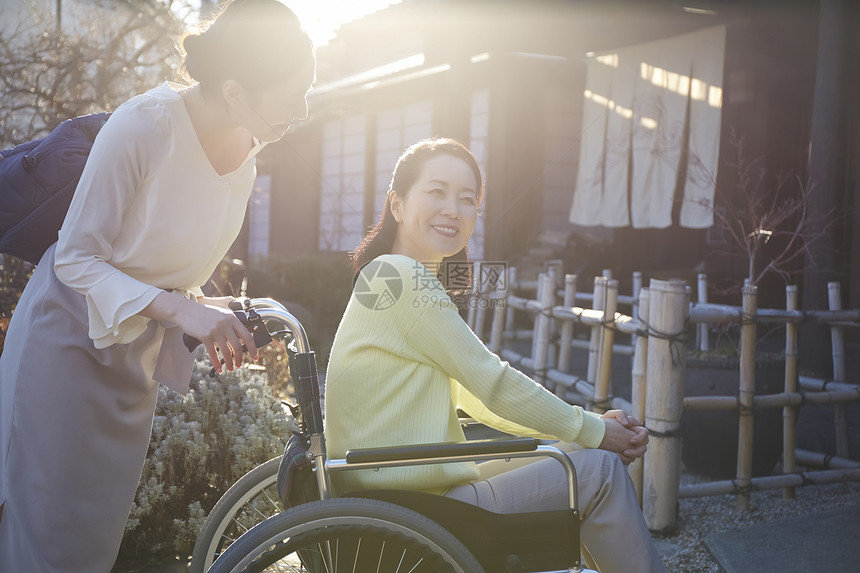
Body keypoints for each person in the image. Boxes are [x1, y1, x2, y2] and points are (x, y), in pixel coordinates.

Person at [0, 1, 315, 570]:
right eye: (292, 97)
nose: (304, 110)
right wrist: (182, 311)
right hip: (64, 344)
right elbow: (75, 259)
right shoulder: (145, 125)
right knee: (46, 541)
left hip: (130, 367)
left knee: (92, 545)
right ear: (237, 91)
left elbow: (162, 273)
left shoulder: (249, 149)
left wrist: (209, 309)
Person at [324, 138, 668, 572]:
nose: (453, 208)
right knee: (598, 470)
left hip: (397, 493)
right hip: (416, 508)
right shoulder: (401, 276)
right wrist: (595, 432)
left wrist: (585, 427)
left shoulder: (388, 275)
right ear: (396, 204)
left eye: (467, 200)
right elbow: (494, 381)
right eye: (436, 192)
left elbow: (479, 395)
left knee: (570, 452)